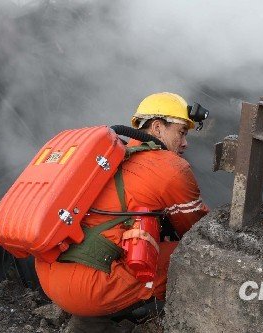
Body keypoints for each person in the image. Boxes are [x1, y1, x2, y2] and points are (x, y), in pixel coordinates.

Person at [34, 92, 209, 332]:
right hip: (89, 288)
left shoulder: (111, 159)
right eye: (181, 132)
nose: (185, 142)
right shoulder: (170, 168)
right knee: (194, 258)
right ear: (157, 128)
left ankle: (96, 320)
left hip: (50, 275)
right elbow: (196, 231)